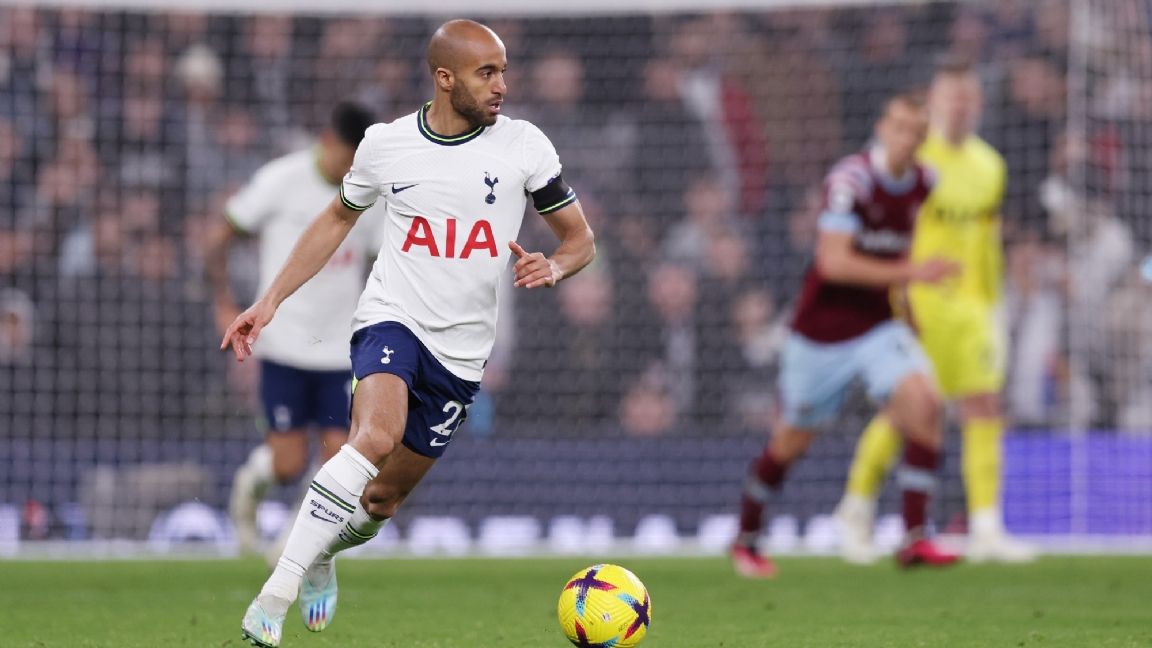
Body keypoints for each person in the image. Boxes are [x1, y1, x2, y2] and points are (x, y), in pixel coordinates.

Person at [222, 20, 596, 648]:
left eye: (503, 72)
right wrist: (270, 301)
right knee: (373, 436)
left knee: (380, 502)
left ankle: (322, 555)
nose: (501, 85)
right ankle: (274, 595)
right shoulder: (386, 144)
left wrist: (555, 266)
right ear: (445, 78)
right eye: (487, 73)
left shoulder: (525, 146)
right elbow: (336, 218)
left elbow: (580, 239)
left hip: (462, 352)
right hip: (391, 317)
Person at [730, 92, 960, 579]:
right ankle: (747, 536)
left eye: (917, 131)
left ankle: (915, 537)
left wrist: (907, 305)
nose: (907, 138)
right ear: (882, 128)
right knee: (791, 443)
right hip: (820, 335)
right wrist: (913, 274)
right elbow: (833, 263)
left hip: (877, 326)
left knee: (925, 403)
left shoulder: (923, 183)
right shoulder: (850, 180)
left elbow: (898, 247)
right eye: (899, 127)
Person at [835, 61, 1037, 565]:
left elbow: (986, 242)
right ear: (933, 103)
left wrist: (993, 304)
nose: (959, 106)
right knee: (905, 412)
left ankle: (986, 527)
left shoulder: (990, 166)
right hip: (917, 305)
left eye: (967, 97)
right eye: (950, 97)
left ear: (979, 103)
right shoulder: (912, 160)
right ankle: (855, 508)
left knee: (984, 406)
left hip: (972, 311)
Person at [205, 101, 379, 561]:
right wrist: (223, 301)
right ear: (327, 142)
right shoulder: (281, 180)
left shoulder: (369, 193)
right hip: (283, 346)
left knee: (338, 459)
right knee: (287, 463)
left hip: (340, 350)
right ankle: (249, 486)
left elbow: (385, 259)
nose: (350, 168)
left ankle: (291, 547)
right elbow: (221, 234)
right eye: (347, 158)